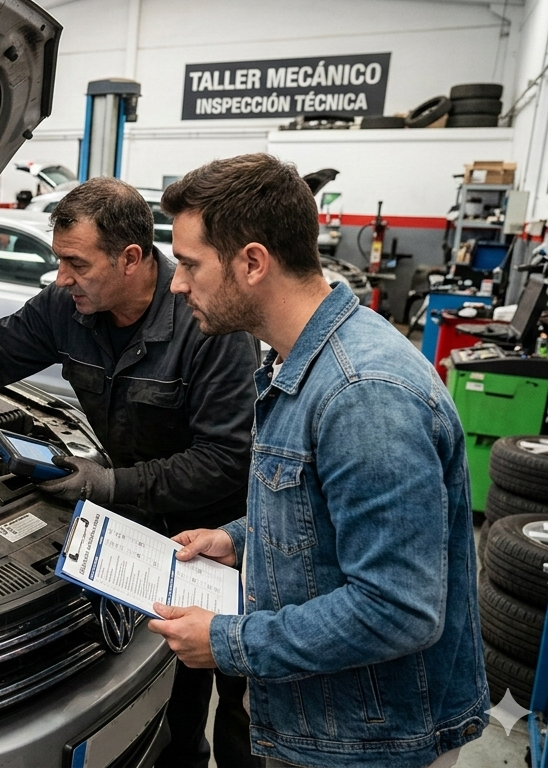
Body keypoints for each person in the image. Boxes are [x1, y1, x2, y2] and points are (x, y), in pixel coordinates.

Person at [0, 177, 261, 768]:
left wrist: (104, 484)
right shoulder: (70, 309)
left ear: (131, 259)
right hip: (131, 524)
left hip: (213, 544)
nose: (61, 277)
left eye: (75, 263)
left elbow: (226, 460)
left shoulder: (206, 323)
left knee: (205, 702)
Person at [147, 153, 488, 768]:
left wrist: (227, 641)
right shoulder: (302, 360)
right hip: (327, 724)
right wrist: (238, 538)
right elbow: (324, 509)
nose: (176, 283)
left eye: (190, 265)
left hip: (366, 744)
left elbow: (397, 609)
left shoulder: (364, 395)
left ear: (252, 262)